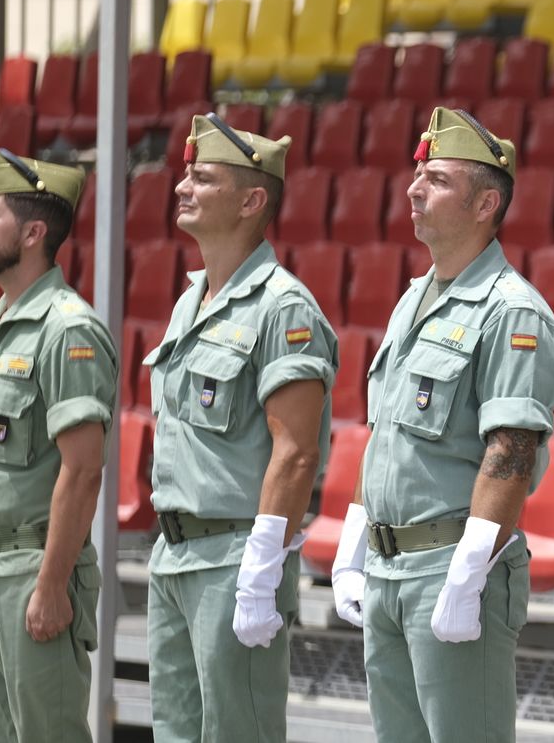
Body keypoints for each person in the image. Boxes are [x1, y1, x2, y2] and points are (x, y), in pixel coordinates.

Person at [328, 106, 554, 742]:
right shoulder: (416, 296)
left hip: (449, 566)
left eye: (436, 179)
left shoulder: (513, 312)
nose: (414, 188)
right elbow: (386, 435)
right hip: (389, 565)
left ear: (487, 202)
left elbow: (511, 450)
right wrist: (354, 544)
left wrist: (468, 573)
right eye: (418, 175)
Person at [144, 114, 338, 743]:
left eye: (202, 177)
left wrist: (261, 569)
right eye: (185, 175)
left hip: (232, 560)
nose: (182, 186)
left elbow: (296, 453)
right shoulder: (190, 296)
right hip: (173, 555)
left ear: (253, 200)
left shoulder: (283, 306)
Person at [0, 152, 116, 743]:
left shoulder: (67, 329)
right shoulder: (0, 324)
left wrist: (53, 584)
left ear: (33, 233)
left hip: (32, 573)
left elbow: (84, 470)